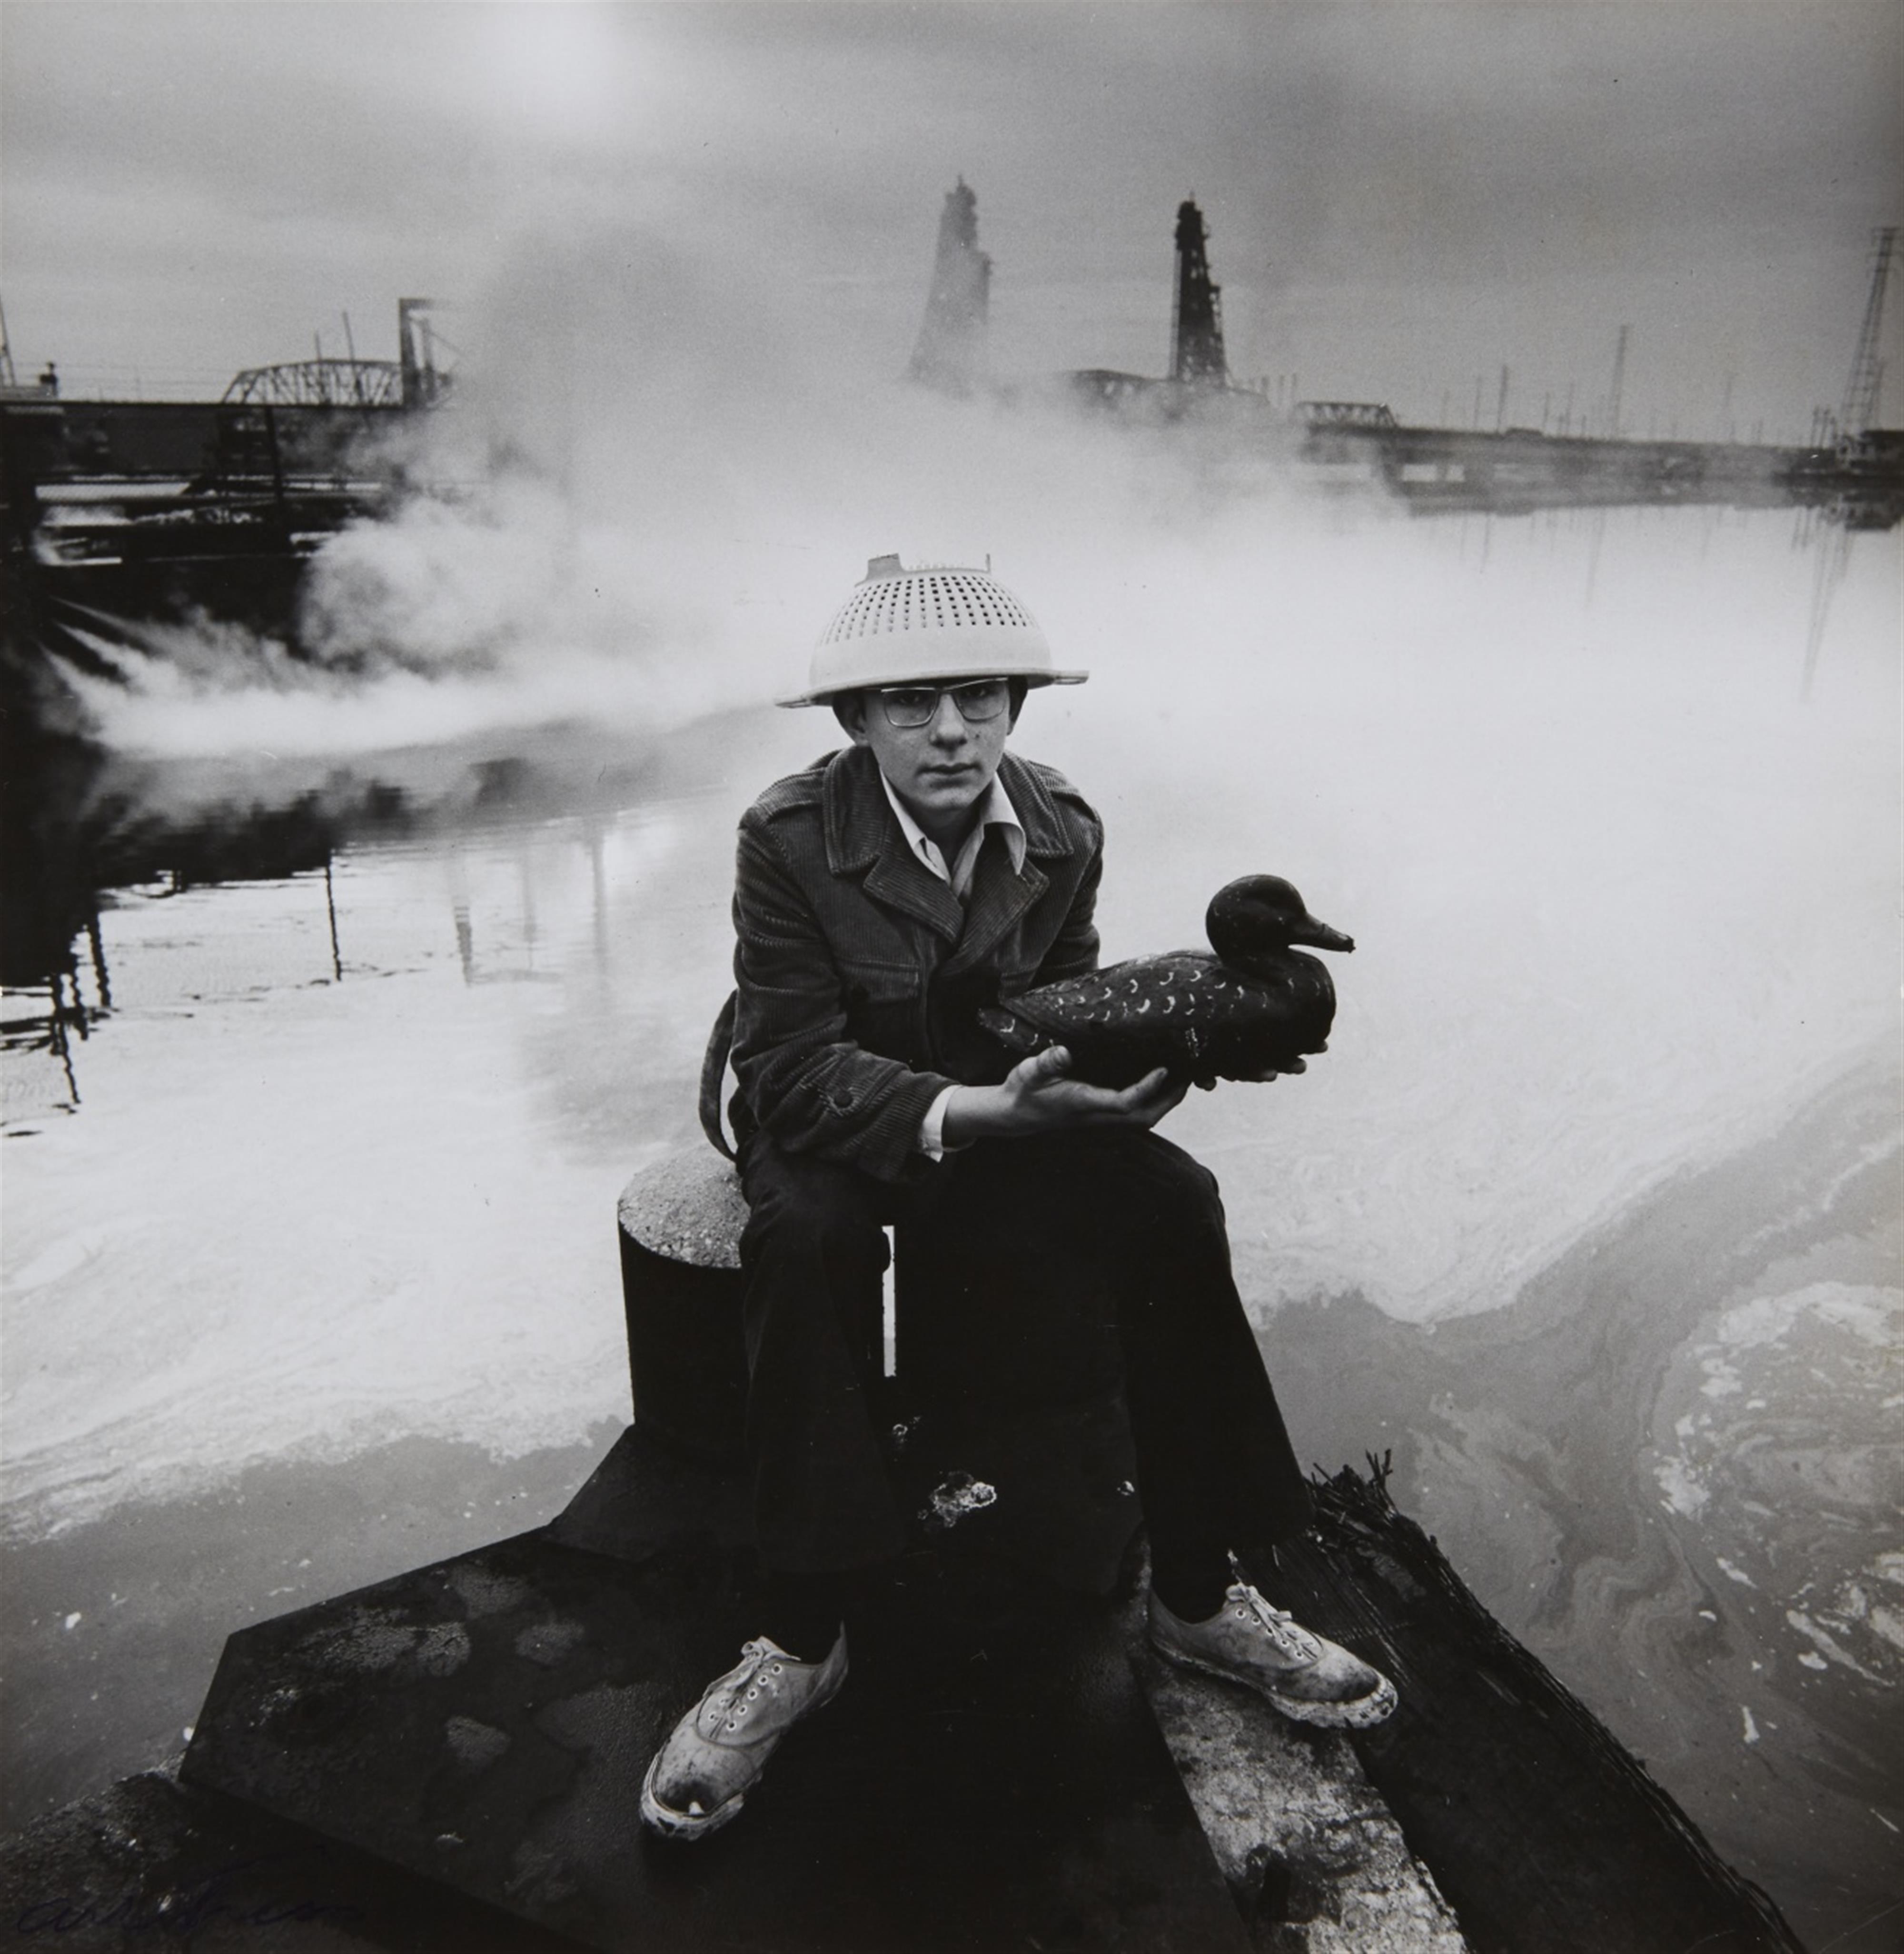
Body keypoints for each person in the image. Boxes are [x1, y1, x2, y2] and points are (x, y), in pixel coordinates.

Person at [640, 555, 1395, 1842]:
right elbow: (790, 1064)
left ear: (1015, 707)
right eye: (911, 703)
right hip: (829, 1106)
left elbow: (1062, 1004)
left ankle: (1198, 1595)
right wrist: (986, 1116)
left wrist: (1117, 1081)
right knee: (810, 1237)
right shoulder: (787, 838)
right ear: (856, 720)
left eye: (979, 698)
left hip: (1001, 1096)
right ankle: (804, 1640)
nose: (951, 730)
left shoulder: (1064, 828)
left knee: (1172, 1201)